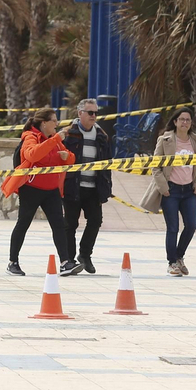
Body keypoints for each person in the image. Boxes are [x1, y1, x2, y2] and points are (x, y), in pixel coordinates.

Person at [1, 108, 79, 277]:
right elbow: (33, 155)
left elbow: (71, 158)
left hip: (51, 190)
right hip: (31, 188)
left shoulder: (54, 140)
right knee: (23, 223)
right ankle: (12, 262)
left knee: (59, 225)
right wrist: (57, 139)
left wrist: (67, 156)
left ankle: (65, 263)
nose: (57, 124)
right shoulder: (30, 137)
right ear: (44, 123)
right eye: (54, 121)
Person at [62, 98, 112, 274]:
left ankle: (85, 255)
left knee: (96, 221)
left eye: (96, 113)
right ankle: (69, 259)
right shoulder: (68, 134)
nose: (94, 116)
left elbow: (107, 164)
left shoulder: (102, 136)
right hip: (72, 186)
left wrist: (106, 188)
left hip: (94, 188)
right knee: (70, 224)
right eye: (90, 112)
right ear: (80, 113)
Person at [153, 107, 196, 276]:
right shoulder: (165, 140)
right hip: (171, 190)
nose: (185, 123)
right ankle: (172, 262)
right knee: (173, 227)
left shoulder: (195, 141)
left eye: (188, 120)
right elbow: (156, 166)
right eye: (181, 119)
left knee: (191, 225)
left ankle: (179, 256)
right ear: (175, 122)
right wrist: (163, 187)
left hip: (189, 190)